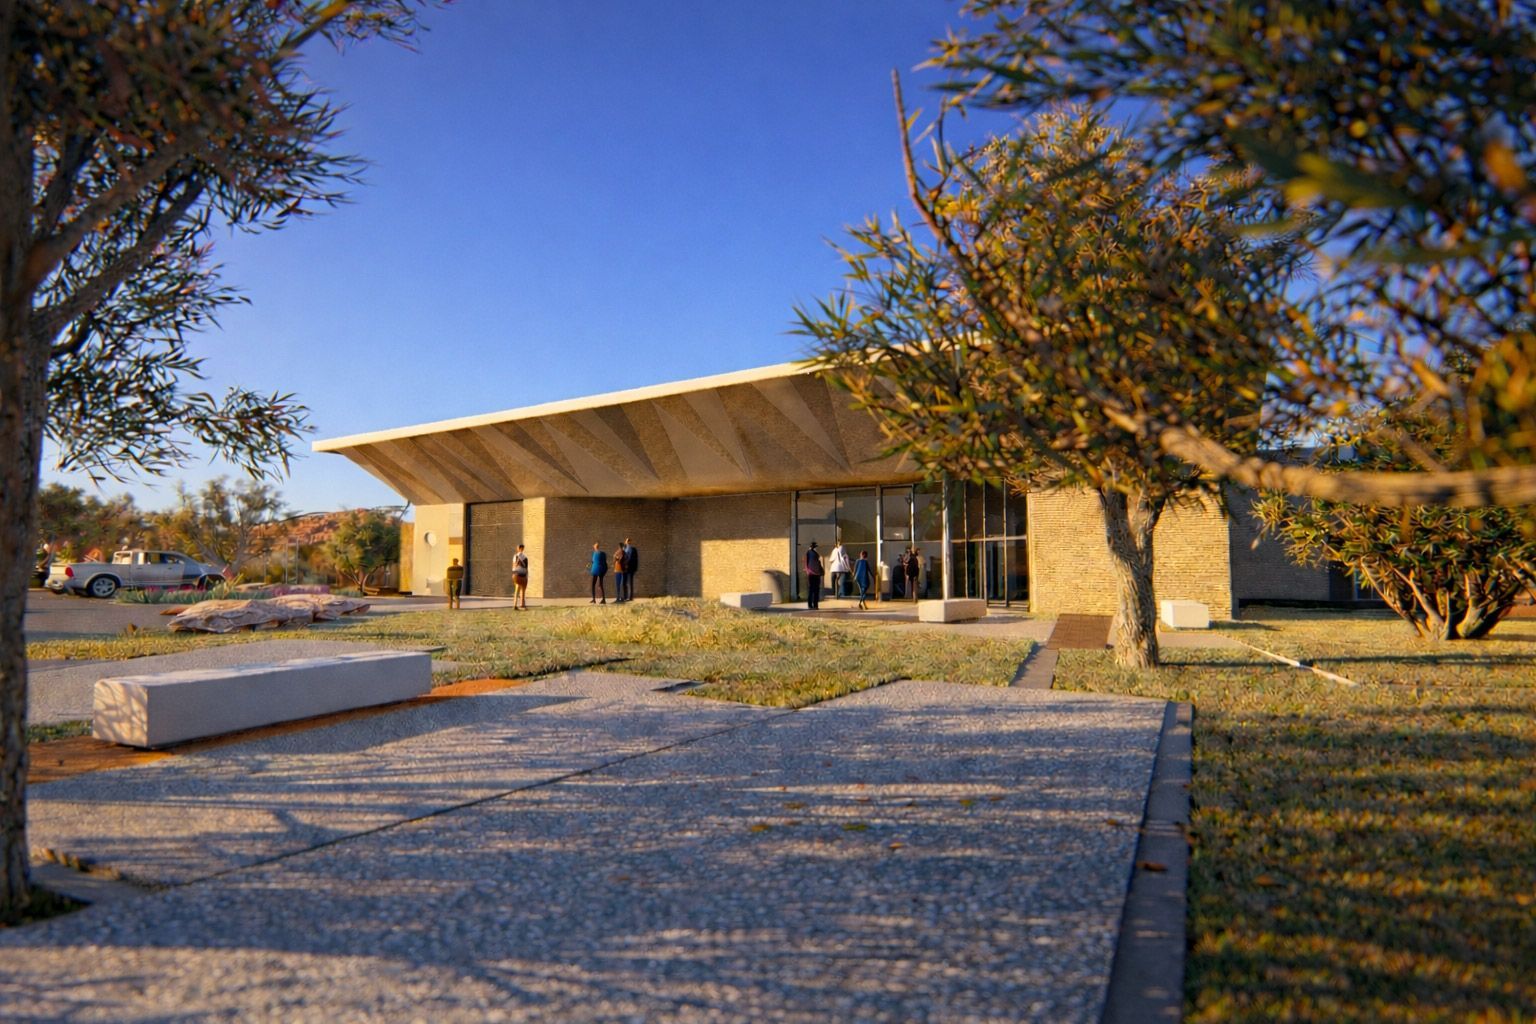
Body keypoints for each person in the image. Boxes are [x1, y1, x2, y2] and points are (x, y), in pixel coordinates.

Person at [804, 540, 824, 610]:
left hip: (814, 574)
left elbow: (817, 563)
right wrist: (808, 571)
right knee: (813, 590)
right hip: (812, 574)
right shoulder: (810, 553)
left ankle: (814, 605)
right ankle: (812, 605)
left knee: (814, 590)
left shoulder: (813, 553)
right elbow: (806, 564)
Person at [511, 543, 529, 610]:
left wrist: (513, 574)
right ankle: (522, 605)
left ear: (518, 548)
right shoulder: (525, 557)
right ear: (523, 549)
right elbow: (526, 569)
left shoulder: (515, 556)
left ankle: (515, 605)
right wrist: (527, 577)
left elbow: (513, 566)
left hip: (516, 575)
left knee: (516, 590)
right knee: (523, 590)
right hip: (522, 575)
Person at [621, 537, 638, 601]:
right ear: (625, 542)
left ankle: (630, 597)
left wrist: (634, 568)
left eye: (629, 541)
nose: (628, 542)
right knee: (624, 582)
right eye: (627, 541)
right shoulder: (624, 549)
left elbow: (634, 559)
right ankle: (625, 597)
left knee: (630, 583)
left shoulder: (633, 549)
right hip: (625, 568)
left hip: (630, 568)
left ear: (630, 542)